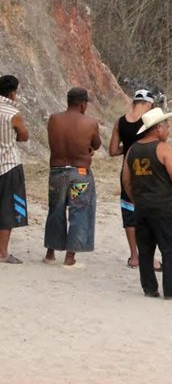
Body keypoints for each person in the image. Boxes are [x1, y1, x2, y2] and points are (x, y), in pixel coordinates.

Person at [121, 108, 172, 299]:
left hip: (142, 207)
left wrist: (136, 199)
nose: (168, 131)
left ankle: (149, 288)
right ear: (158, 128)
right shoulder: (162, 148)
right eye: (166, 127)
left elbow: (126, 180)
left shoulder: (132, 149)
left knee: (146, 249)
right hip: (164, 206)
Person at [44, 87, 102, 267]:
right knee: (79, 212)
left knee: (56, 210)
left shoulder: (54, 119)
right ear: (83, 104)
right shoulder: (90, 123)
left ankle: (50, 253)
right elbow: (96, 144)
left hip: (57, 172)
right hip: (80, 174)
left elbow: (54, 142)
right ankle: (70, 257)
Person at [109, 88, 158, 269]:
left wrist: (128, 147)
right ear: (148, 104)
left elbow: (113, 151)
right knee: (149, 214)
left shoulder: (120, 121)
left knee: (129, 212)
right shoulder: (150, 121)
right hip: (147, 171)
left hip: (127, 170)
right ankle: (150, 258)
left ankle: (134, 256)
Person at [0, 75, 29, 264]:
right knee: (7, 210)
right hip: (8, 165)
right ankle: (2, 253)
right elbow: (24, 136)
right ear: (13, 92)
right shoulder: (13, 113)